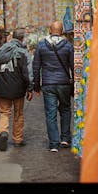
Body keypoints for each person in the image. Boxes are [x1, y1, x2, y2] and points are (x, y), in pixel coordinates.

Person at [33, 21, 74, 152]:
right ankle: (65, 138)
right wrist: (75, 83)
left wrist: (36, 85)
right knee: (66, 110)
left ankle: (54, 144)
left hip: (48, 84)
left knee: (50, 114)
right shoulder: (68, 45)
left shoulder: (41, 45)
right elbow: (74, 66)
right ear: (62, 31)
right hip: (64, 84)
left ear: (50, 30)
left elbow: (36, 67)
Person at [0, 29, 34, 151]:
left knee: (4, 113)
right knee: (18, 114)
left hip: (3, 87)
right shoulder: (23, 52)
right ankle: (17, 139)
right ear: (22, 38)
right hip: (18, 88)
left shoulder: (1, 50)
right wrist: (30, 88)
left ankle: (3, 132)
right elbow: (28, 73)